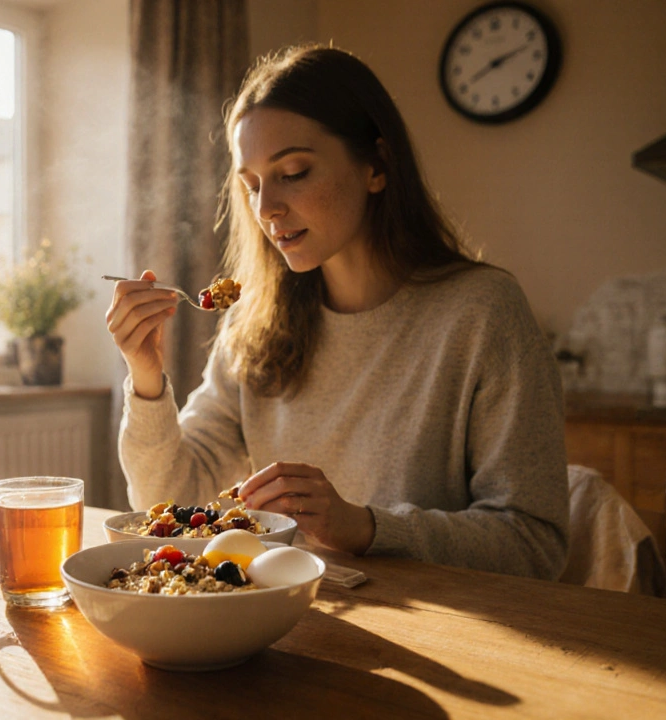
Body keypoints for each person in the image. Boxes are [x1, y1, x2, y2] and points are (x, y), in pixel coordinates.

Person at [105, 44, 568, 579]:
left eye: (294, 172)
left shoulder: (482, 313)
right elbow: (170, 502)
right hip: (290, 626)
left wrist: (366, 527)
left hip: (445, 636)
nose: (266, 208)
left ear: (377, 165)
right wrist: (145, 378)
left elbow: (536, 544)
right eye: (250, 185)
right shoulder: (252, 321)